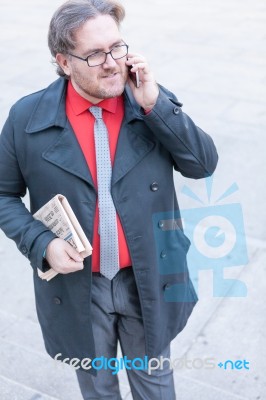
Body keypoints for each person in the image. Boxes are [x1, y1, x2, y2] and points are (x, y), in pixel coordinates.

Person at [0, 0, 218, 399]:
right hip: (80, 286)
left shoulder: (147, 101)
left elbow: (202, 165)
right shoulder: (27, 117)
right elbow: (3, 195)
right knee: (98, 388)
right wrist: (42, 243)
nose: (112, 63)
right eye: (95, 54)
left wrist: (156, 105)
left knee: (155, 386)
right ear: (64, 62)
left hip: (148, 278)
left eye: (118, 47)